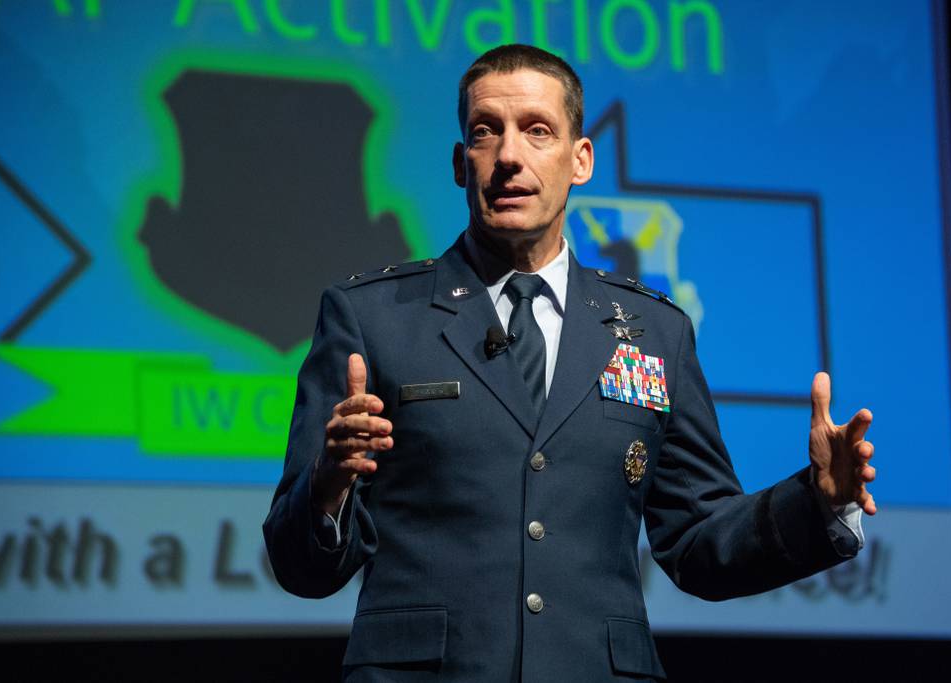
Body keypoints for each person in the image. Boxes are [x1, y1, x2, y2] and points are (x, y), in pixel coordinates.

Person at [264, 44, 877, 682]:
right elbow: (298, 566)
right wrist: (330, 484)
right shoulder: (374, 318)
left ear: (579, 159)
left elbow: (698, 542)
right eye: (484, 133)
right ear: (459, 162)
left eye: (537, 131)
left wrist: (818, 503)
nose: (508, 157)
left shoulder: (656, 332)